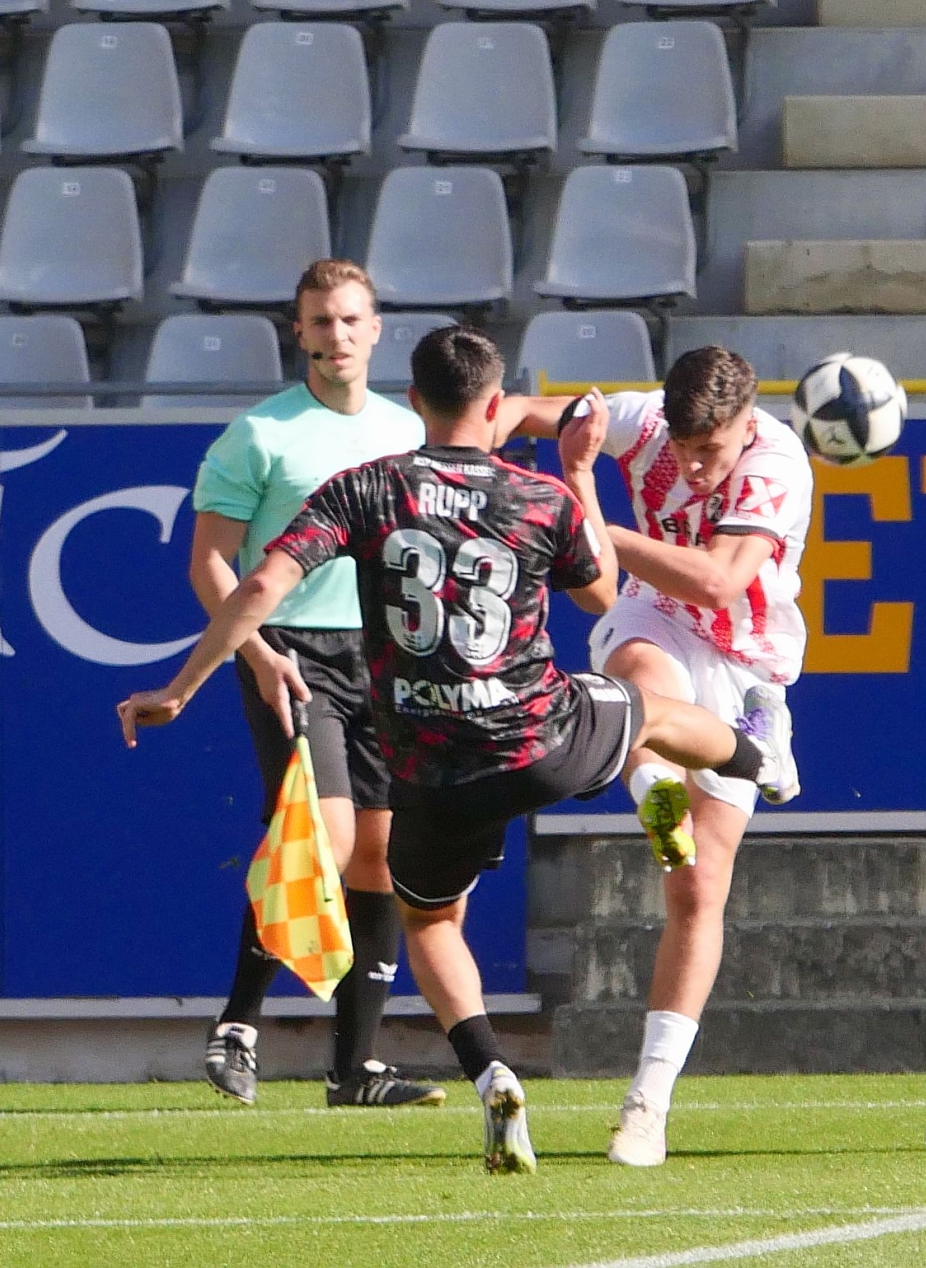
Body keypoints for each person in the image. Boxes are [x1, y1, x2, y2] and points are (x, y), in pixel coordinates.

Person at [118, 326, 792, 1174]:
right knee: (651, 709)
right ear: (495, 403)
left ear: (415, 403)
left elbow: (258, 586)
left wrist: (180, 687)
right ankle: (756, 756)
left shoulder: (363, 487)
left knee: (431, 920)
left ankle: (492, 1074)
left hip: (432, 763)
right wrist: (578, 475)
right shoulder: (535, 495)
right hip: (540, 735)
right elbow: (600, 592)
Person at [513, 345, 810, 1168]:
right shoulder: (643, 419)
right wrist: (469, 435)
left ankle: (649, 1100)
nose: (692, 465)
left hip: (745, 657)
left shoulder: (777, 462)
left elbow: (716, 583)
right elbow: (527, 412)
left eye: (709, 449)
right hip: (656, 619)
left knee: (696, 888)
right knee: (636, 687)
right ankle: (669, 789)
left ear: (746, 423)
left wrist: (593, 527)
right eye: (682, 446)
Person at [188, 258, 442, 1110]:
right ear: (298, 332)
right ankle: (238, 1023)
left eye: (350, 320)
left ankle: (355, 1067)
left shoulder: (408, 433)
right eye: (321, 321)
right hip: (293, 654)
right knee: (322, 840)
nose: (337, 335)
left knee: (380, 854)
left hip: (388, 660)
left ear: (377, 330)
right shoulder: (261, 434)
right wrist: (258, 653)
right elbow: (211, 563)